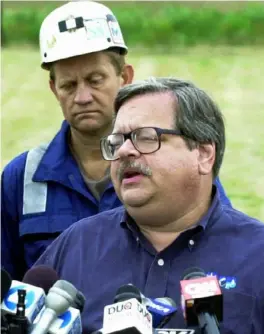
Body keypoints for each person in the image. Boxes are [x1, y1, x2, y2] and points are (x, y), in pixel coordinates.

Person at [1, 1, 230, 281]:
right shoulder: (21, 179)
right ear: (53, 88)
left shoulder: (174, 167)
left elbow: (224, 252)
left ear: (126, 77)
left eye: (95, 80)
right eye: (68, 85)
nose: (82, 97)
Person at [34, 78, 264, 334]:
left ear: (204, 154)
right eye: (117, 141)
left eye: (145, 137)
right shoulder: (77, 245)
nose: (124, 151)